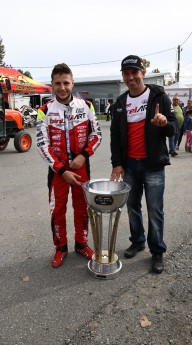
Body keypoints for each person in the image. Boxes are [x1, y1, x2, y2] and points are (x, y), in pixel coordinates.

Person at [110, 55, 177, 274]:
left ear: (143, 73)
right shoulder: (120, 103)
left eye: (134, 73)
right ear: (123, 76)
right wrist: (117, 163)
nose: (131, 77)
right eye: (126, 74)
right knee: (132, 207)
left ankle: (157, 251)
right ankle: (138, 241)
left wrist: (165, 122)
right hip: (129, 166)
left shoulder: (159, 97)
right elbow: (115, 136)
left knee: (155, 210)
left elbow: (174, 127)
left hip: (153, 166)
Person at [36, 63, 102, 268]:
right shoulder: (44, 110)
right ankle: (60, 247)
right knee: (58, 211)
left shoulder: (87, 106)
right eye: (58, 83)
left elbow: (97, 135)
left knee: (83, 209)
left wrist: (84, 155)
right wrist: (62, 170)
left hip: (81, 167)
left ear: (72, 83)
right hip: (58, 171)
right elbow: (41, 144)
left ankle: (82, 244)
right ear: (52, 85)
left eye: (66, 83)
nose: (62, 87)